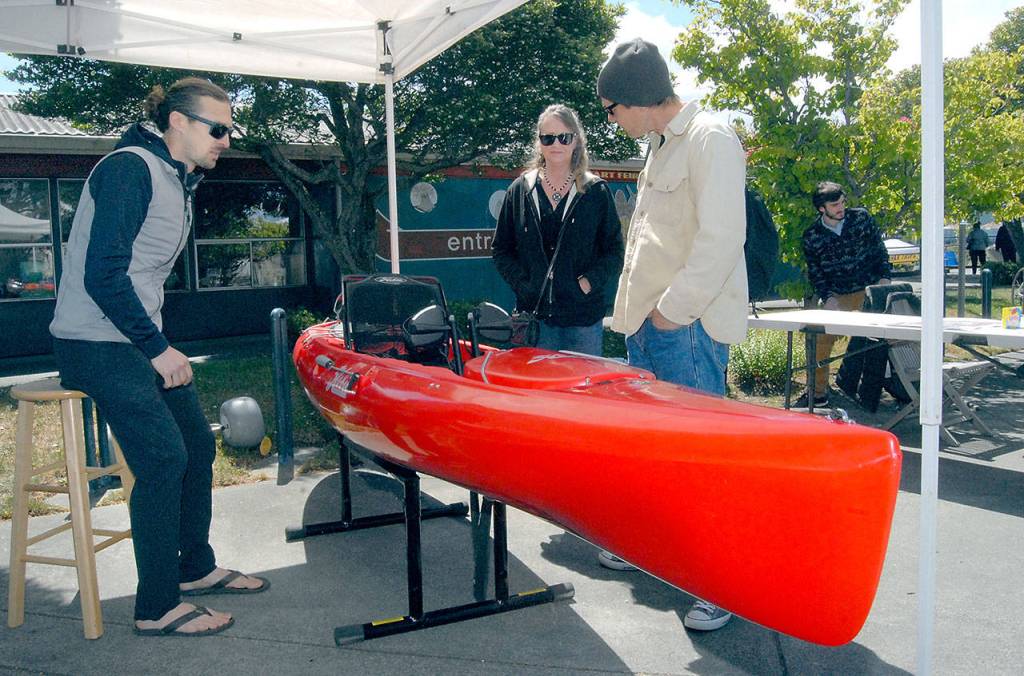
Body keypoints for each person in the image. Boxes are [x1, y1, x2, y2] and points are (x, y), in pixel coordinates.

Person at [50, 77, 268, 638]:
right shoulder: (130, 169)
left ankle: (193, 568)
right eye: (216, 128)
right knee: (165, 459)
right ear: (177, 122)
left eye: (229, 129)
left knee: (195, 444)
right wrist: (157, 348)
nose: (226, 139)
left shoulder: (174, 177)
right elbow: (104, 272)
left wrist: (153, 344)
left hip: (132, 338)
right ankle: (155, 607)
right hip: (94, 343)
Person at [596, 38, 748, 633]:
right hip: (650, 326)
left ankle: (720, 583)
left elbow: (720, 240)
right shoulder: (662, 146)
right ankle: (655, 551)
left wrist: (671, 314)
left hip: (685, 330)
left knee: (702, 461)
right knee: (657, 455)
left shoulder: (710, 138)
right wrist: (640, 318)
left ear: (634, 100)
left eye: (611, 110)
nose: (612, 121)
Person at [492, 104, 624, 355]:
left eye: (564, 137)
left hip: (583, 321)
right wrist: (524, 284)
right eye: (547, 137)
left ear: (576, 141)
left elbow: (614, 252)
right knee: (536, 393)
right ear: (539, 142)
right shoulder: (520, 190)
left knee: (579, 393)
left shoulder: (596, 191)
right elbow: (501, 250)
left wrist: (587, 283)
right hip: (535, 322)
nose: (556, 144)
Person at [798, 182, 891, 410]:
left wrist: (884, 279)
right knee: (818, 337)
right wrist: (828, 298)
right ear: (822, 208)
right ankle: (818, 394)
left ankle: (875, 391)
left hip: (870, 290)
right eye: (834, 204)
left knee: (883, 339)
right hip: (839, 295)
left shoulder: (861, 219)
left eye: (842, 202)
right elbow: (816, 273)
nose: (841, 207)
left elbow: (880, 250)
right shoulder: (811, 236)